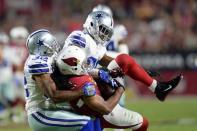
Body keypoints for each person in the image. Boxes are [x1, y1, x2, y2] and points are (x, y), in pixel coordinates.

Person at [61, 10, 182, 130]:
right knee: (124, 60)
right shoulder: (79, 37)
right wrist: (99, 73)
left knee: (143, 122)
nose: (105, 35)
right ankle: (158, 88)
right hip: (82, 94)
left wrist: (138, 69)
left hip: (96, 93)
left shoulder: (97, 45)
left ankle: (158, 88)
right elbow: (71, 67)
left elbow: (107, 59)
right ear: (92, 24)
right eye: (103, 30)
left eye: (107, 32)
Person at [55, 45, 149, 131]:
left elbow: (86, 73)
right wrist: (121, 89)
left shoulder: (69, 76)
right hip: (102, 114)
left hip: (92, 114)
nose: (85, 65)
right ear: (73, 67)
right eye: (82, 63)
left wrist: (104, 73)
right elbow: (106, 108)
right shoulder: (83, 85)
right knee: (143, 123)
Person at [24, 29, 102, 131]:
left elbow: (76, 69)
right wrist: (82, 92)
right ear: (43, 46)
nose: (55, 45)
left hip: (53, 108)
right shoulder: (38, 62)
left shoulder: (50, 58)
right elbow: (54, 96)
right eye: (51, 43)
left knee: (93, 114)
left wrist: (99, 73)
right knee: (85, 122)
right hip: (40, 112)